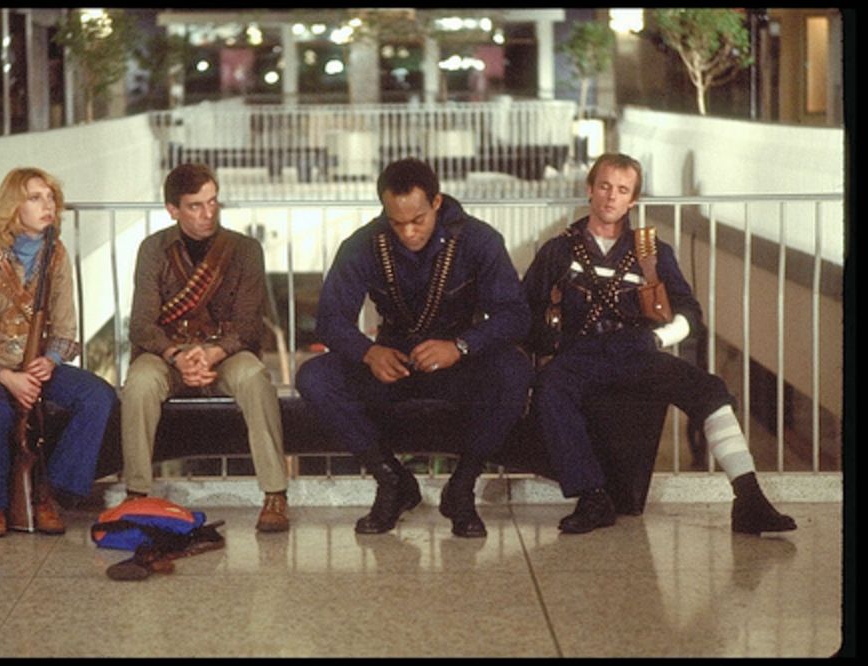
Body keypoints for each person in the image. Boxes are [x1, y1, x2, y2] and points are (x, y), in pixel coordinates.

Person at [521, 152, 797, 536]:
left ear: (633, 200)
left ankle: (748, 498)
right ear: (589, 189)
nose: (610, 197)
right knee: (550, 387)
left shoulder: (651, 253)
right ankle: (592, 496)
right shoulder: (558, 251)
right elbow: (524, 309)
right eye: (603, 186)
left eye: (622, 190)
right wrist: (545, 343)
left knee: (710, 390)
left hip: (637, 350)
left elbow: (689, 313)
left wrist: (657, 337)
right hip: (579, 354)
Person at [295, 158, 533, 538]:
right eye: (397, 222)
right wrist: (368, 353)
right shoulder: (363, 244)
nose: (407, 232)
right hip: (393, 366)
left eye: (417, 220)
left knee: (514, 370)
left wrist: (461, 346)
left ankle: (462, 487)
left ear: (436, 202)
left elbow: (515, 316)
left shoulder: (478, 239)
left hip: (459, 365)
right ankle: (392, 480)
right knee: (314, 377)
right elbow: (331, 321)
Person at [0, 167, 117, 538]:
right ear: (13, 206)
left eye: (50, 197)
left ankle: (47, 493)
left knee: (97, 396)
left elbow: (67, 327)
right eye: (35, 198)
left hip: (34, 364)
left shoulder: (56, 255)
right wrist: (6, 376)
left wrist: (50, 361)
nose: (47, 205)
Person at [121, 163, 290, 532]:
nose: (208, 213)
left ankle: (275, 493)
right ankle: (136, 492)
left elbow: (248, 324)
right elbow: (141, 324)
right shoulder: (154, 250)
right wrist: (177, 356)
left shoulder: (244, 249)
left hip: (223, 353)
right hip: (167, 354)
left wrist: (212, 353)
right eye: (195, 205)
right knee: (138, 384)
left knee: (256, 377)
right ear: (172, 210)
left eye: (212, 202)